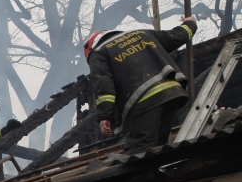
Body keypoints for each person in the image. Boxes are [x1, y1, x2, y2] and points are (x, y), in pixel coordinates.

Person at [84, 16, 197, 154]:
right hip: (173, 92)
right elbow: (177, 37)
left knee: (140, 146)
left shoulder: (99, 53)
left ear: (89, 49)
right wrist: (190, 23)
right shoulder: (142, 34)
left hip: (146, 98)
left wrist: (105, 116)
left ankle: (139, 175)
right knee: (159, 143)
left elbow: (104, 86)